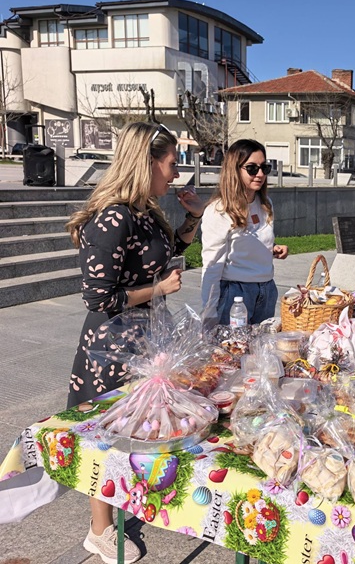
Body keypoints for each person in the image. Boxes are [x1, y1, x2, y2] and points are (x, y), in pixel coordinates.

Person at [65, 121, 204, 563]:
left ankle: (130, 496)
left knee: (139, 426)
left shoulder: (145, 212)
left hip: (144, 338)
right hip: (112, 345)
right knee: (104, 434)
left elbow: (163, 255)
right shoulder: (113, 218)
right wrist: (159, 290)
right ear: (145, 162)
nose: (175, 175)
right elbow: (98, 297)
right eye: (170, 165)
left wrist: (193, 219)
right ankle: (99, 529)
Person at [201, 139, 289, 325]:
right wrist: (208, 312)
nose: (259, 174)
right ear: (235, 169)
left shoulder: (265, 204)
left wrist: (270, 248)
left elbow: (251, 239)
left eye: (264, 168)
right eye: (251, 168)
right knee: (231, 351)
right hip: (236, 294)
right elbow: (212, 265)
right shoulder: (219, 210)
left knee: (260, 351)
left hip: (267, 289)